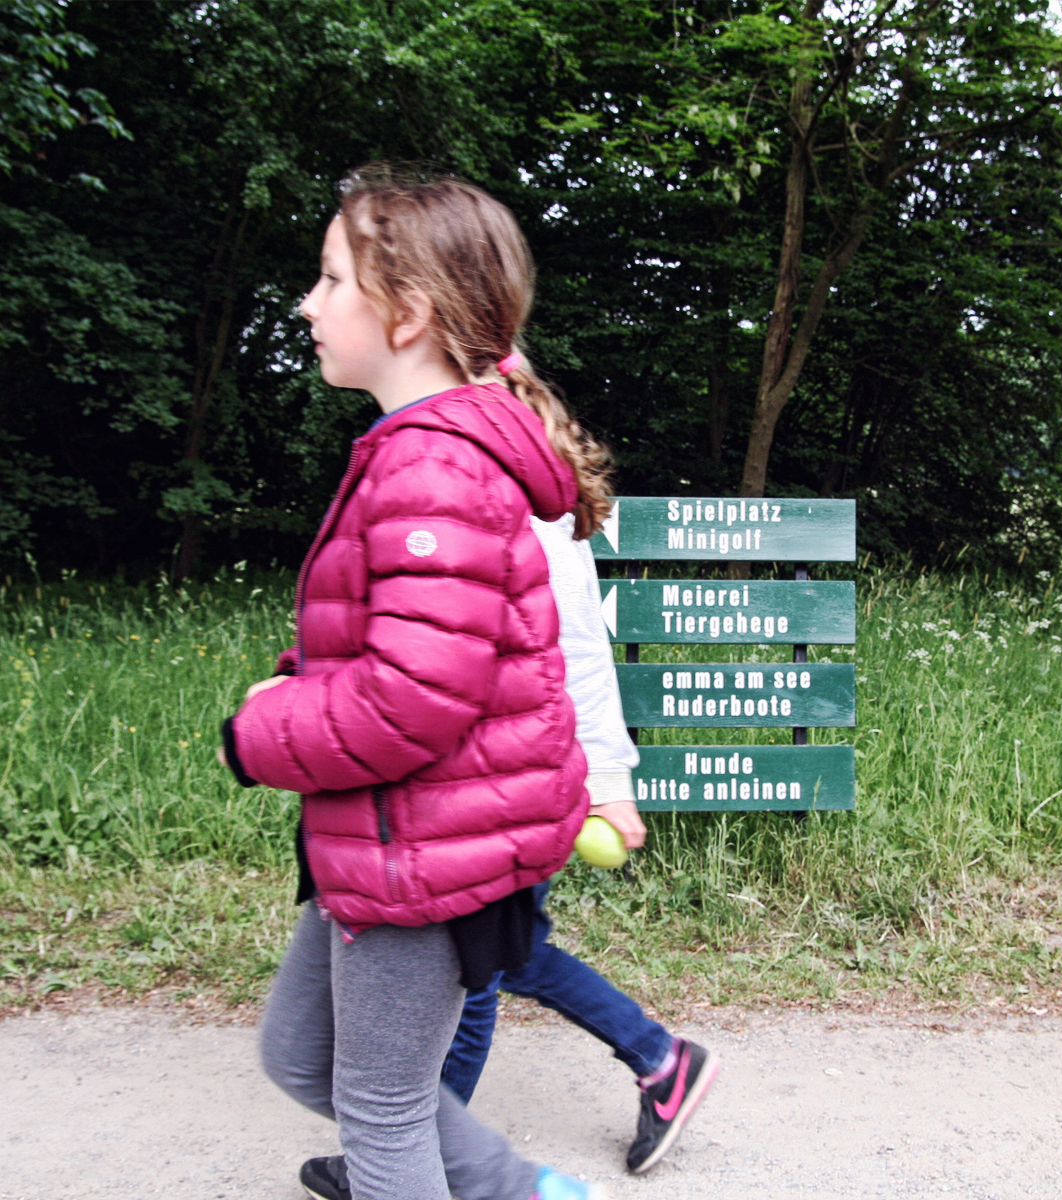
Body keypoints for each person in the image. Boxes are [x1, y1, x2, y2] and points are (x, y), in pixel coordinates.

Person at [220, 164, 613, 1200]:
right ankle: (518, 1191)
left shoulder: (431, 466)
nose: (308, 304)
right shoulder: (419, 452)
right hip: (389, 831)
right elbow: (405, 642)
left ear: (409, 315)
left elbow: (413, 699)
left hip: (419, 850)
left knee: (383, 1115)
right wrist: (297, 684)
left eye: (332, 278)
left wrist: (257, 733)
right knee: (300, 1059)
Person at [295, 514, 722, 1200]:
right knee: (498, 956)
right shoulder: (472, 479)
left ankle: (417, 1150)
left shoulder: (522, 501)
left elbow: (577, 645)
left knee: (481, 962)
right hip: (487, 783)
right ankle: (654, 1062)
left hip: (509, 782)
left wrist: (608, 779)